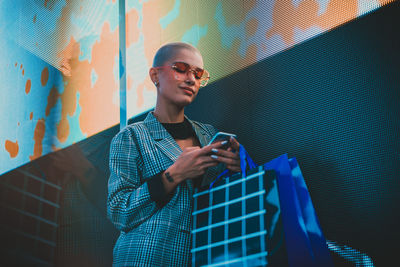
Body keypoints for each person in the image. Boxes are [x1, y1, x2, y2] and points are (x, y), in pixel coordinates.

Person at [107, 42, 241, 266]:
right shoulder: (132, 136)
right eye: (181, 68)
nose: (191, 80)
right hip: (145, 258)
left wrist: (237, 169)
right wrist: (174, 175)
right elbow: (119, 211)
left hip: (203, 256)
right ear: (155, 75)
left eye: (198, 74)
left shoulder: (209, 135)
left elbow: (220, 203)